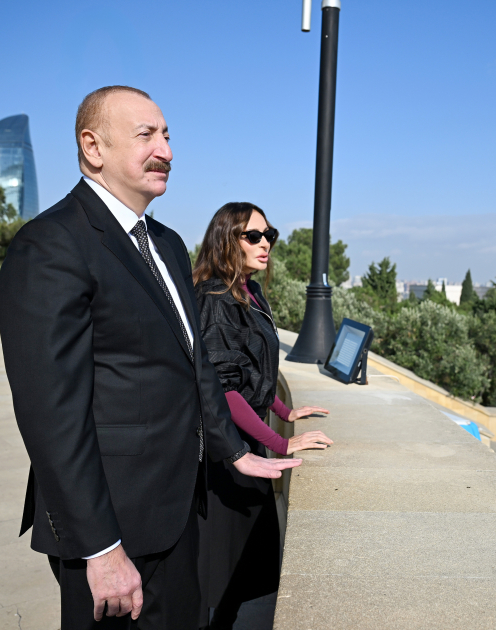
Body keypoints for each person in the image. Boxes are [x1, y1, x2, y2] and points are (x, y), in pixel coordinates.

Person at [0, 86, 301, 630]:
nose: (166, 149)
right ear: (93, 147)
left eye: (166, 135)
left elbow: (195, 367)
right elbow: (51, 415)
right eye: (146, 135)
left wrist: (235, 453)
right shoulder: (50, 245)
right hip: (115, 527)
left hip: (180, 513)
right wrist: (99, 547)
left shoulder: (166, 244)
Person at [192, 202, 332, 629]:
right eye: (252, 235)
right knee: (219, 573)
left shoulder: (249, 291)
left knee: (242, 571)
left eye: (268, 234)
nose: (265, 243)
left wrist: (287, 410)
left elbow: (252, 369)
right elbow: (224, 388)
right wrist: (282, 442)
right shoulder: (217, 297)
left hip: (249, 442)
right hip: (227, 452)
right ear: (225, 239)